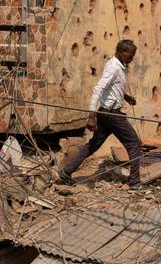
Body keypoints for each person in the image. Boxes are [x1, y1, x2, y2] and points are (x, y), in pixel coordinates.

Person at [59, 39, 142, 187]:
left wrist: (126, 97)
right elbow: (98, 89)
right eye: (130, 55)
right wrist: (91, 116)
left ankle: (67, 171)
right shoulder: (114, 67)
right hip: (111, 115)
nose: (132, 58)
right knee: (134, 143)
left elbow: (112, 89)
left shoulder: (119, 65)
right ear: (121, 53)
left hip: (106, 114)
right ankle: (134, 181)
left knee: (93, 145)